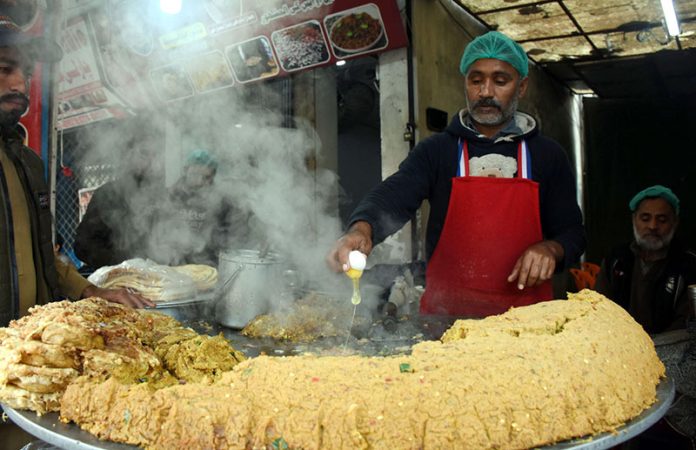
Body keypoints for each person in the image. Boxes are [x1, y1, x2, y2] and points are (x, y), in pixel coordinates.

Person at [327, 31, 586, 317]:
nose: (486, 92)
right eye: (476, 80)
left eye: (500, 81)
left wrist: (551, 248)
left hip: (526, 319)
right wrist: (361, 229)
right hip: (446, 316)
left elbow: (573, 233)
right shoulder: (438, 150)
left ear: (521, 87)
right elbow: (395, 195)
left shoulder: (548, 155)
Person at [0, 15, 153, 448]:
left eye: (24, 73)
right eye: (4, 69)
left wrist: (92, 293)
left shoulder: (28, 163)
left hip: (32, 362)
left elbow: (44, 254)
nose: (19, 84)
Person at [595, 185, 696, 334]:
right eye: (645, 218)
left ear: (675, 222)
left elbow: (686, 324)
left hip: (671, 350)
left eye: (662, 220)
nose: (653, 226)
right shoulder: (616, 260)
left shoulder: (688, 264)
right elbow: (598, 308)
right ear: (634, 220)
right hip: (619, 344)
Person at [73, 126, 165, 269]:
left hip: (158, 277)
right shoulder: (107, 194)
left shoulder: (162, 196)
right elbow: (83, 246)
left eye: (156, 155)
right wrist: (124, 263)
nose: (151, 161)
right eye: (144, 153)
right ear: (128, 156)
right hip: (119, 279)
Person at [155, 149, 240, 266]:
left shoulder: (222, 202)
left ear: (213, 176)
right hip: (174, 264)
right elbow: (159, 232)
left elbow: (230, 236)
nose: (200, 182)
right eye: (195, 174)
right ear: (185, 171)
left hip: (209, 267)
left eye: (206, 177)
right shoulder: (172, 195)